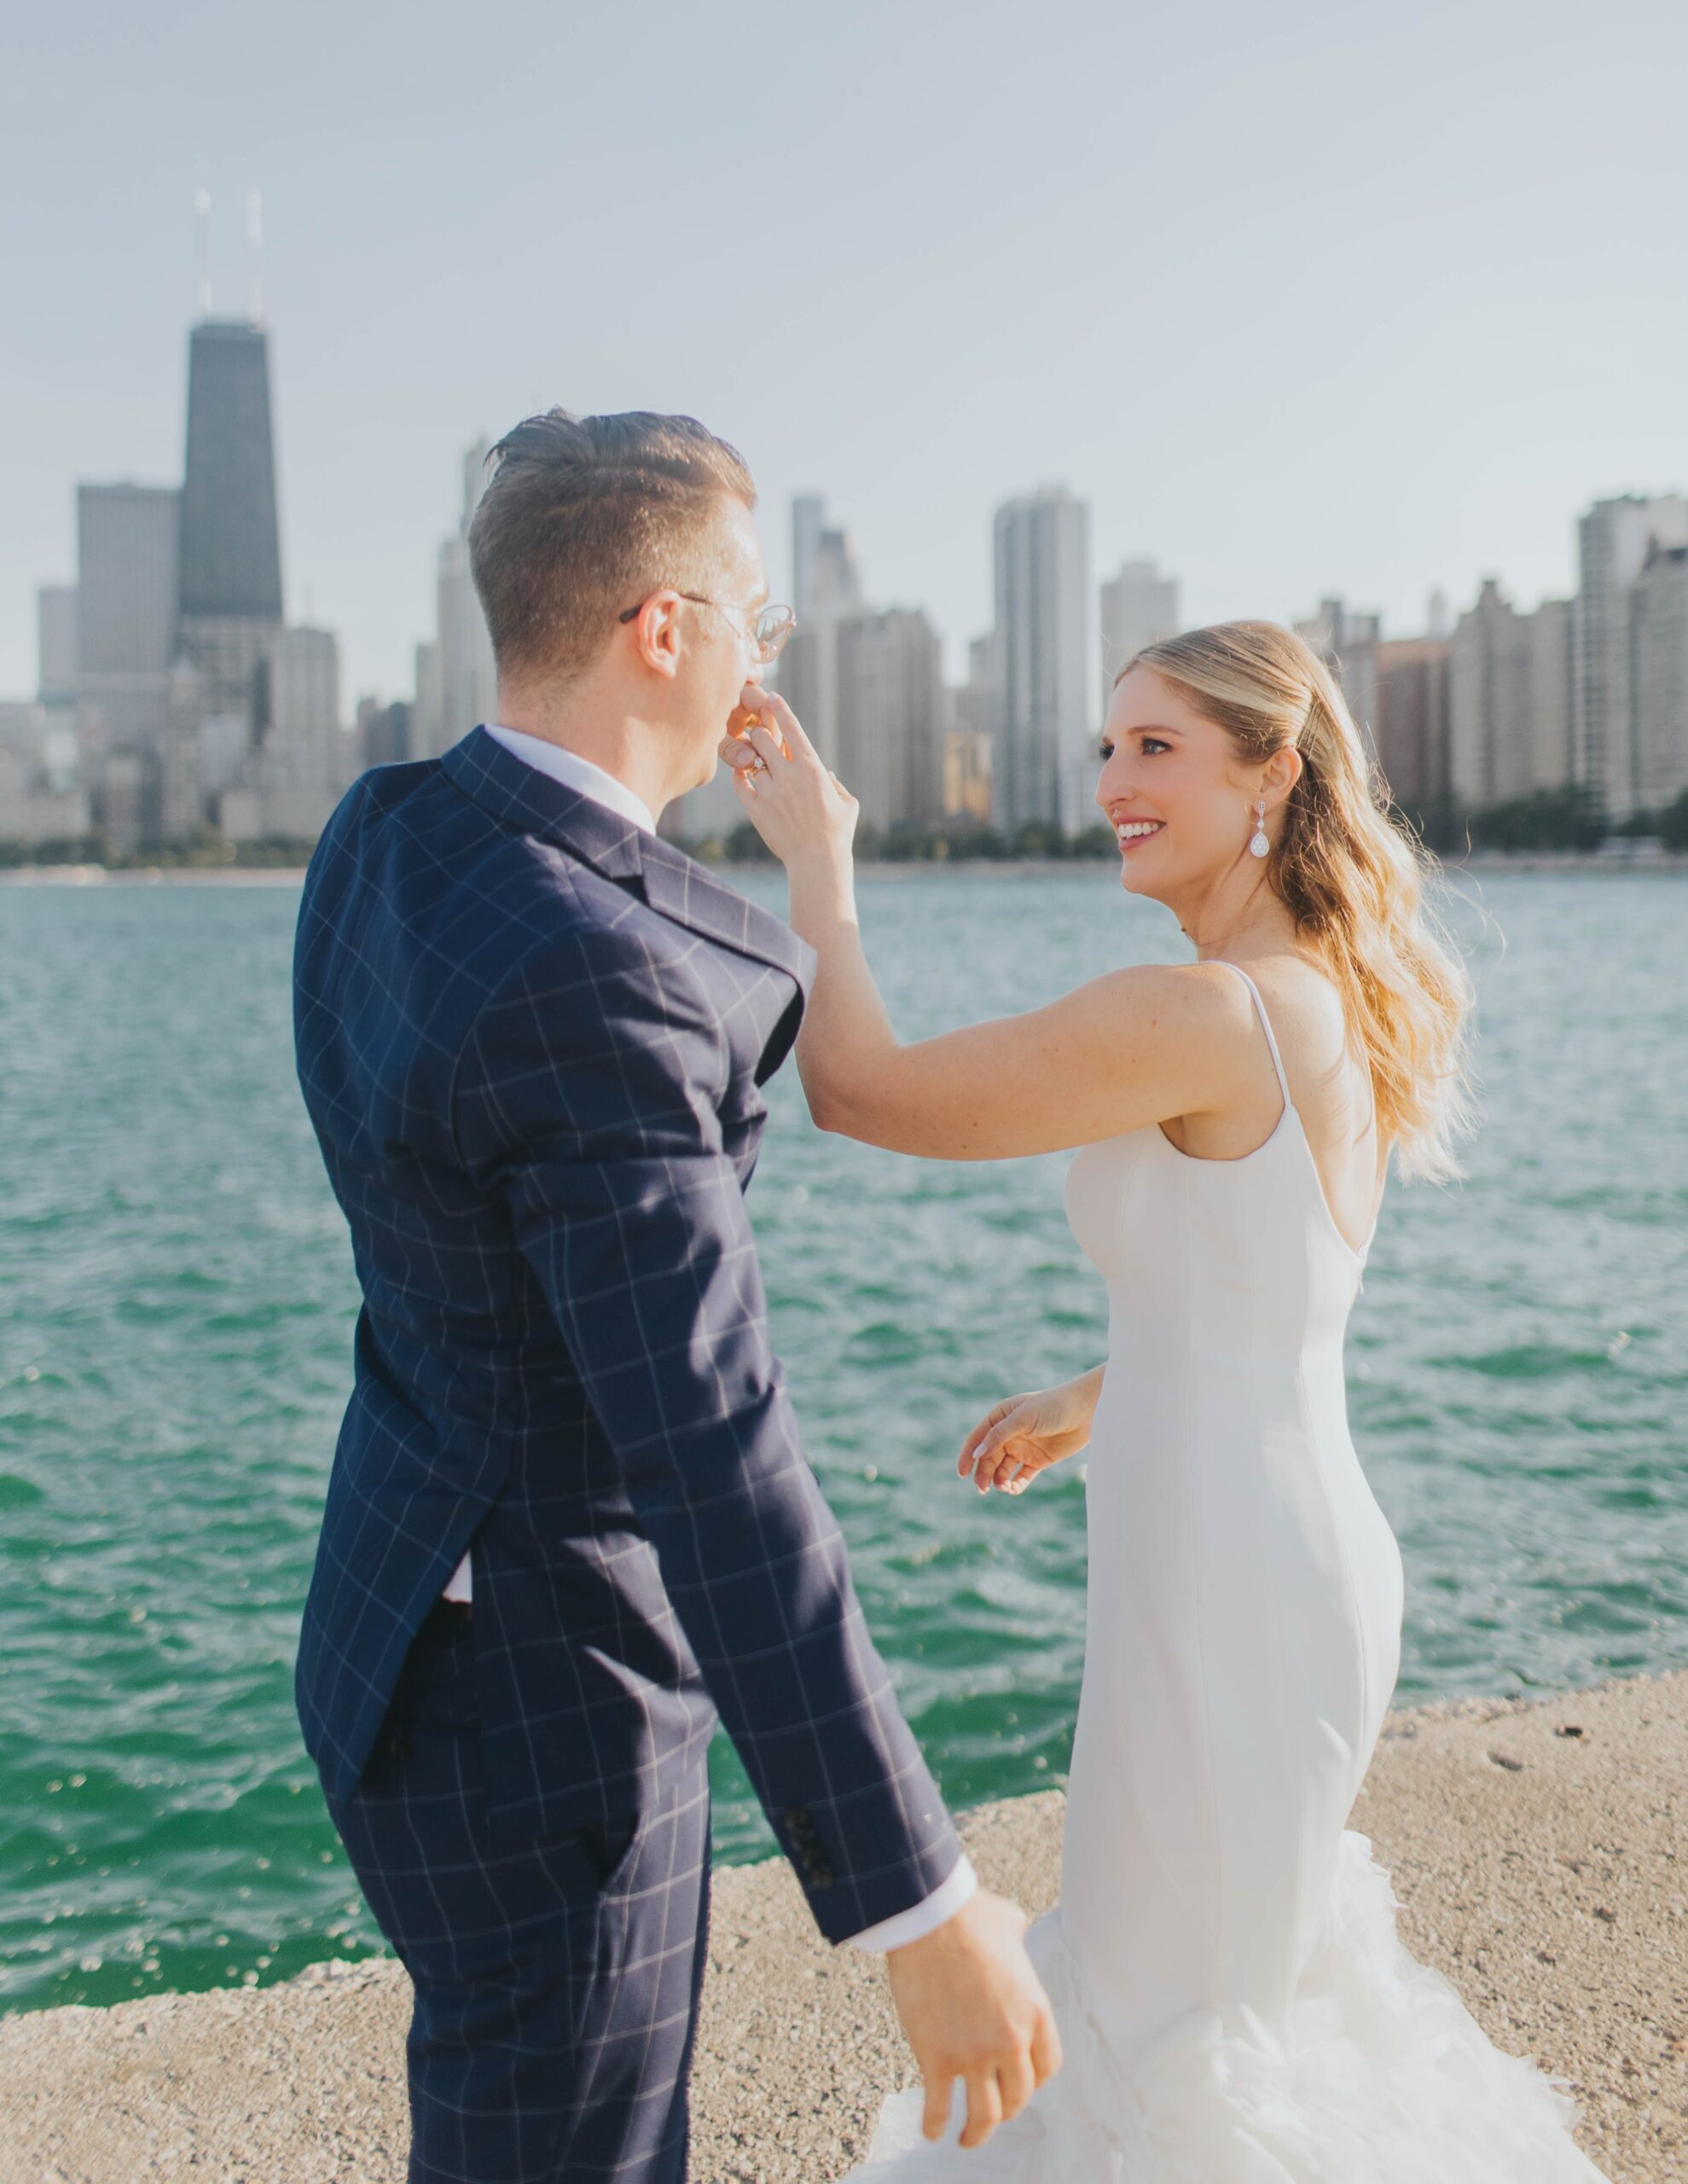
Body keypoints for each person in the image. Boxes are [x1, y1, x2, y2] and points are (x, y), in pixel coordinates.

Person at [724, 622, 1610, 2179]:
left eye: (1157, 750)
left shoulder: (1204, 1014)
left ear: (1273, 773)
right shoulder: (1316, 996)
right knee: (1208, 2015)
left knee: (1161, 2038)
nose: (1113, 783)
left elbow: (860, 1089)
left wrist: (821, 859)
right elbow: (1267, 1293)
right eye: (1108, 748)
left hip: (1228, 1596)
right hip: (1271, 1557)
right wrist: (1095, 1396)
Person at [291, 409, 1059, 2184]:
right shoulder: (605, 975)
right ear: (663, 628)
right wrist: (919, 1905)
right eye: (755, 623)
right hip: (546, 1715)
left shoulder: (380, 832)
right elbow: (717, 1453)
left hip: (391, 1625)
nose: (759, 662)